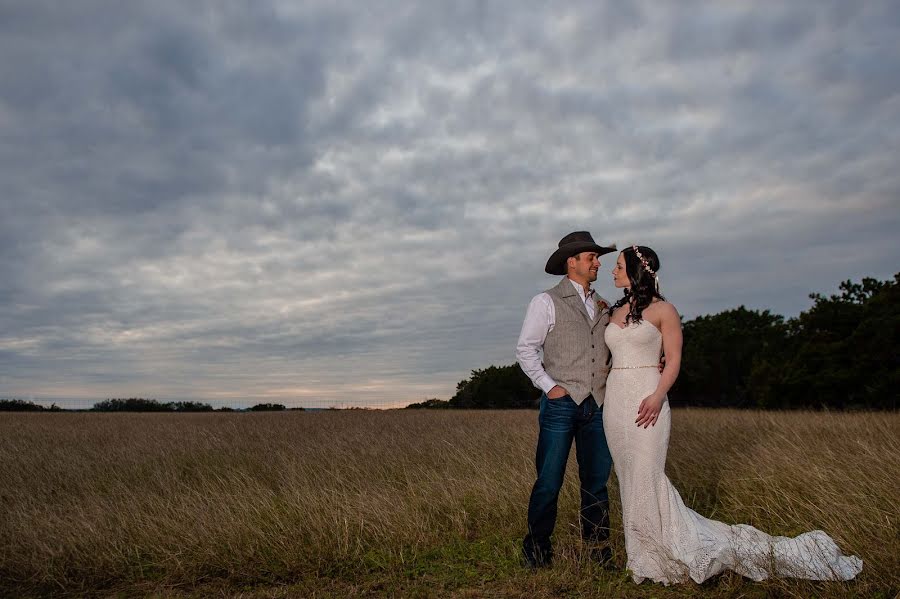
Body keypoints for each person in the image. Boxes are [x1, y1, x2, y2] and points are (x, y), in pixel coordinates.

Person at [602, 245, 863, 584]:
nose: (612, 271)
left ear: (638, 269)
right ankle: (642, 554)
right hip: (616, 403)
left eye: (619, 265)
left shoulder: (665, 310)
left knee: (648, 475)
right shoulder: (612, 310)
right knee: (627, 477)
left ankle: (668, 552)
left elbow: (675, 360)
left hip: (648, 398)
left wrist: (657, 395)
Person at [516, 231, 617, 568]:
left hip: (598, 405)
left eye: (597, 258)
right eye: (592, 257)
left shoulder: (604, 305)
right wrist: (549, 386)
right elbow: (526, 349)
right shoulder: (545, 301)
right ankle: (538, 549)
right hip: (560, 404)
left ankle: (598, 551)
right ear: (571, 262)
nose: (598, 263)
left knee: (596, 482)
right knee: (549, 479)